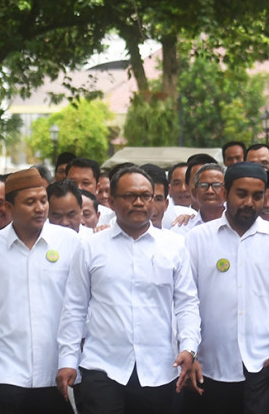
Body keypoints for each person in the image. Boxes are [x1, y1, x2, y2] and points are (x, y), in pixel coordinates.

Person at [56, 165, 200, 413]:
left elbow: (186, 303)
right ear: (111, 201)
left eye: (146, 196)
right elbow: (74, 308)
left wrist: (189, 346)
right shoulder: (91, 247)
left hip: (160, 369)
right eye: (130, 196)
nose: (139, 203)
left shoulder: (175, 246)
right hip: (103, 368)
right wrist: (67, 360)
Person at [184, 163, 269, 414]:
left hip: (264, 361)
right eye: (241, 194)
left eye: (257, 196)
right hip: (210, 364)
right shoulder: (197, 238)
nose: (249, 202)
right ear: (225, 194)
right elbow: (186, 301)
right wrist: (189, 352)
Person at [0, 168, 81, 414]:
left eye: (43, 200)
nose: (40, 208)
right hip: (6, 373)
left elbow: (78, 307)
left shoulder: (70, 243)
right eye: (30, 202)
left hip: (58, 372)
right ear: (10, 208)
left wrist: (70, 360)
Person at [171, 164, 227, 235]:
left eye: (216, 185)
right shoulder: (181, 230)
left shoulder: (238, 227)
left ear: (226, 191)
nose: (210, 191)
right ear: (194, 192)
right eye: (203, 185)